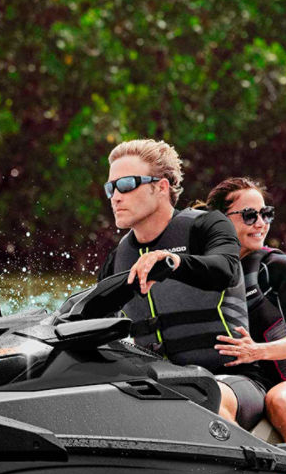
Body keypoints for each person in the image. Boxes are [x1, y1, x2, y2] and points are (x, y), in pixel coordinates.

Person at [95, 139, 267, 427]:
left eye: (125, 185)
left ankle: (244, 466)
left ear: (161, 187)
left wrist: (172, 262)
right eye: (110, 188)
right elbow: (91, 316)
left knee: (201, 396)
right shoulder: (120, 257)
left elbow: (225, 268)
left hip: (233, 380)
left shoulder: (207, 226)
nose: (115, 197)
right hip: (163, 385)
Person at [203, 177, 286, 445]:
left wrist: (257, 351)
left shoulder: (276, 266)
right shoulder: (203, 271)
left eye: (266, 214)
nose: (261, 223)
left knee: (279, 401)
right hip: (249, 389)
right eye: (250, 215)